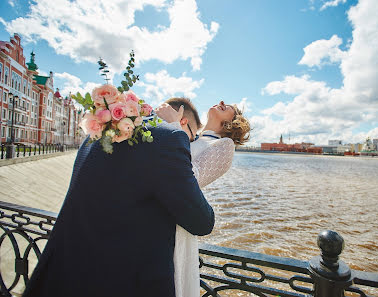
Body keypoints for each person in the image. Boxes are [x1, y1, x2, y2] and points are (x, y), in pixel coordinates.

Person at [22, 100, 214, 297]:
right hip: (122, 283)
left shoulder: (98, 133)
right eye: (193, 136)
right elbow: (201, 221)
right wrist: (177, 132)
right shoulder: (170, 139)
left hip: (63, 276)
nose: (191, 142)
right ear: (182, 121)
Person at [156, 98, 251, 297]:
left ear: (230, 123)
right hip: (154, 210)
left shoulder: (224, 145)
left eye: (230, 109)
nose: (223, 102)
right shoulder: (191, 136)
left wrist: (174, 129)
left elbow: (191, 178)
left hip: (176, 220)